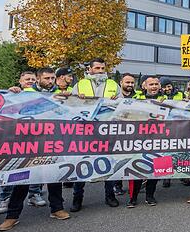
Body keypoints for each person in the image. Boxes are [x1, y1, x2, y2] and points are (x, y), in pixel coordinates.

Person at [0, 72, 72, 232]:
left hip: (52, 142)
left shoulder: (59, 95)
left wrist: (74, 98)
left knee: (54, 177)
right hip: (29, 143)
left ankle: (57, 209)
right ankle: (12, 216)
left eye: (52, 78)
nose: (50, 81)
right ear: (38, 79)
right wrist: (11, 93)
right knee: (23, 179)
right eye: (46, 78)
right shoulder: (23, 94)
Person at [69, 58, 120, 212]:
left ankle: (110, 195)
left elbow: (122, 104)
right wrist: (79, 101)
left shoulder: (113, 85)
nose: (100, 71)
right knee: (82, 164)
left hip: (106, 130)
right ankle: (77, 198)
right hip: (85, 131)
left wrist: (116, 102)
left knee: (108, 162)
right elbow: (71, 106)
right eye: (97, 68)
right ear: (89, 69)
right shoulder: (80, 85)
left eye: (102, 68)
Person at [0, 71, 47, 213]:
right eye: (27, 79)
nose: (30, 81)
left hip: (36, 136)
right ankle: (6, 198)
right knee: (10, 168)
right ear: (20, 80)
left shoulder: (41, 95)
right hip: (16, 137)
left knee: (35, 166)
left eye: (32, 79)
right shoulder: (12, 94)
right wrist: (10, 93)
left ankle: (34, 194)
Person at [127, 76, 166, 208]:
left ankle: (150, 196)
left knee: (156, 169)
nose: (154, 87)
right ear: (144, 86)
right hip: (139, 140)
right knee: (136, 169)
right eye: (151, 84)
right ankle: (133, 198)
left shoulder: (167, 99)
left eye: (156, 84)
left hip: (160, 140)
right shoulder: (136, 99)